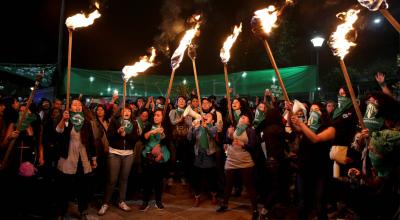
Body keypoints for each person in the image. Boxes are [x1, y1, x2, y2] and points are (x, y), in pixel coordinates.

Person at [290, 102, 335, 220]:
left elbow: (315, 138)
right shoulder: (307, 126)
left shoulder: (330, 129)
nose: (313, 112)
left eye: (317, 110)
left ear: (323, 113)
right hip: (304, 168)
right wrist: (291, 111)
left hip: (320, 171)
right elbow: (296, 128)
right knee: (302, 203)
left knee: (319, 204)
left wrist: (301, 124)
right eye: (312, 110)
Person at [55, 99, 97, 220]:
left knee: (83, 187)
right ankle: (61, 211)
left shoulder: (86, 122)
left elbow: (91, 141)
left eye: (79, 104)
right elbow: (58, 131)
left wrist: (93, 159)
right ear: (70, 107)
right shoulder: (65, 118)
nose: (77, 106)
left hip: (82, 158)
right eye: (74, 104)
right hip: (68, 158)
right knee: (64, 188)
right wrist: (64, 119)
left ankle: (82, 210)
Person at [217, 112, 259, 220]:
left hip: (245, 161)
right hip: (231, 160)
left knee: (249, 186)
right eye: (241, 116)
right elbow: (227, 142)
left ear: (248, 122)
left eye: (244, 117)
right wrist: (229, 135)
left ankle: (255, 209)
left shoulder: (251, 131)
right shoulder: (233, 129)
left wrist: (243, 144)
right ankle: (224, 204)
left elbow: (254, 146)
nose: (242, 117)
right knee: (228, 184)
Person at [98, 106, 140, 215]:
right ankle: (105, 203)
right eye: (124, 110)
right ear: (120, 112)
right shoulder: (115, 121)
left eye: (129, 111)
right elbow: (109, 136)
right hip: (115, 153)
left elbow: (135, 139)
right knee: (112, 179)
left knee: (124, 179)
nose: (127, 112)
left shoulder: (134, 123)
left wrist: (126, 134)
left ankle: (121, 201)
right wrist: (118, 132)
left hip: (128, 154)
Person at [140, 109, 170, 211]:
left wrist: (162, 134)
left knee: (159, 180)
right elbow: (143, 138)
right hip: (148, 155)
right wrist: (152, 131)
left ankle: (158, 201)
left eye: (158, 115)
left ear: (162, 117)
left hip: (161, 154)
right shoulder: (149, 125)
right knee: (147, 180)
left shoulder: (165, 127)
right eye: (154, 115)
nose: (155, 117)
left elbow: (167, 141)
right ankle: (145, 201)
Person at [188, 112, 218, 207]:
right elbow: (189, 138)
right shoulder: (198, 127)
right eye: (205, 116)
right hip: (198, 155)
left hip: (208, 155)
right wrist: (192, 127)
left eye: (209, 116)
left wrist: (206, 127)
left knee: (211, 177)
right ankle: (197, 197)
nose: (206, 117)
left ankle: (214, 195)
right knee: (197, 178)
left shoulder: (214, 127)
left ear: (212, 120)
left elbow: (213, 135)